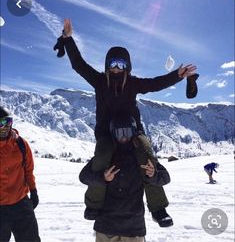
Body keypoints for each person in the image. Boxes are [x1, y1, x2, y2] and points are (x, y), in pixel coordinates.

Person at [54, 19, 197, 224]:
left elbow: (155, 84)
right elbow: (78, 65)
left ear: (127, 66)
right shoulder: (99, 81)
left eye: (121, 64)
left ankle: (158, 209)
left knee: (146, 154)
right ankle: (94, 204)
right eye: (113, 63)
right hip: (106, 132)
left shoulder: (132, 83)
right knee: (102, 155)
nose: (117, 68)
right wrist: (67, 39)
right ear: (107, 66)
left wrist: (177, 75)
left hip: (133, 132)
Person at [79, 114, 171, 242]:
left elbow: (166, 178)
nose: (123, 137)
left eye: (126, 132)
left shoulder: (141, 156)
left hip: (133, 227)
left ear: (133, 132)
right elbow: (83, 176)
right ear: (113, 134)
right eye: (119, 133)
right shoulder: (105, 157)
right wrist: (102, 178)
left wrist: (153, 175)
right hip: (107, 224)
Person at [0, 106, 41, 242]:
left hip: (20, 204)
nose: (5, 126)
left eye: (8, 122)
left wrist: (33, 191)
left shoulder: (21, 144)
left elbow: (28, 170)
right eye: (1, 123)